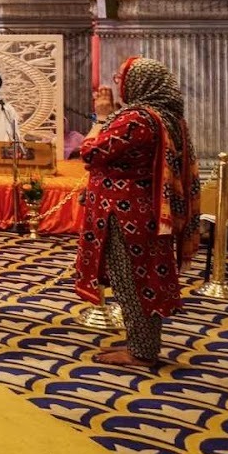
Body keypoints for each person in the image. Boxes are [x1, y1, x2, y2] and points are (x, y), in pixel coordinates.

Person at [74, 57, 200, 368]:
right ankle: (143, 344)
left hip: (125, 215)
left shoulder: (137, 119)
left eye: (122, 78)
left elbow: (91, 152)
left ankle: (141, 351)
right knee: (143, 280)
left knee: (132, 283)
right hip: (147, 212)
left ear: (140, 83)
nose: (118, 84)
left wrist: (101, 117)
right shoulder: (168, 117)